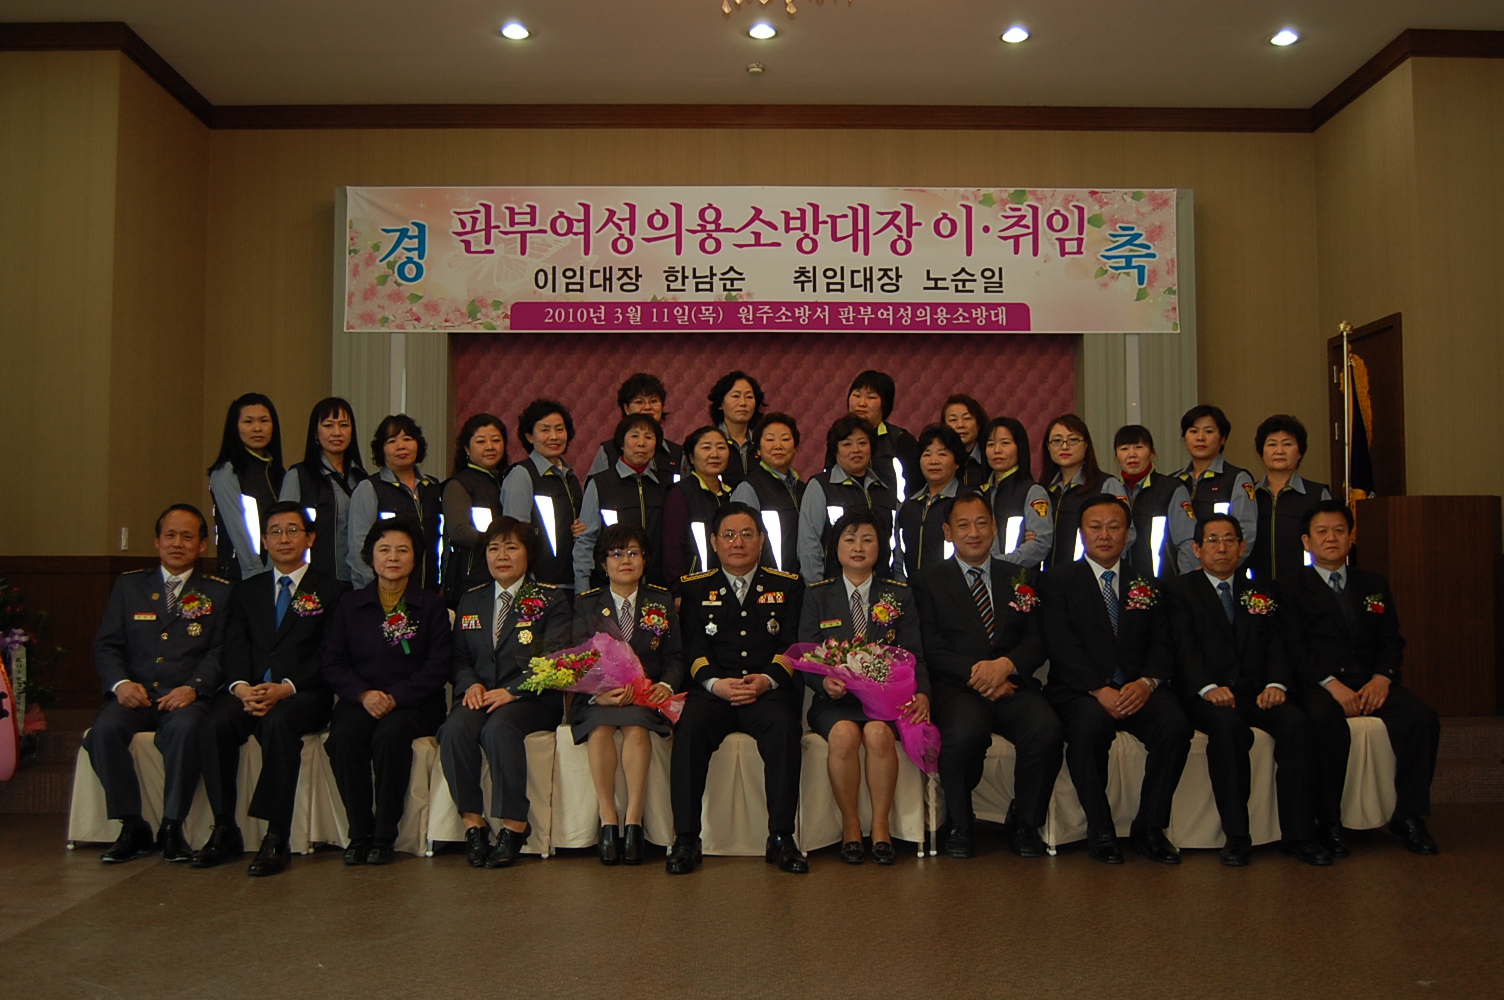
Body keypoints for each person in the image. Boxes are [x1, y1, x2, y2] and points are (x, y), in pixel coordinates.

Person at [191, 502, 351, 876]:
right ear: (264, 540)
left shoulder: (333, 590)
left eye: (293, 530)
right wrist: (241, 688)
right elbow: (233, 647)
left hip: (303, 694)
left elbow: (331, 653)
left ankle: (276, 835)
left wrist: (286, 687)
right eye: (275, 531)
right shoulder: (245, 591)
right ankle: (224, 828)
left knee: (279, 725)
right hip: (250, 691)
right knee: (214, 724)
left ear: (310, 538)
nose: (284, 538)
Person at [1164, 514, 1330, 867]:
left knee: (1296, 724)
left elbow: (1278, 644)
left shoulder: (1260, 591)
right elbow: (1183, 648)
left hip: (1256, 692)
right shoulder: (1179, 591)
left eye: (1229, 539)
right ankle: (1237, 836)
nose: (1221, 547)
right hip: (1206, 696)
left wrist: (1276, 684)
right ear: (1197, 549)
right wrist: (1207, 687)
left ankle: (1300, 835)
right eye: (1212, 540)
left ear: (1242, 546)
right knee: (1228, 730)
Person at [1279, 500, 1440, 856]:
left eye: (1339, 531)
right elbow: (1293, 647)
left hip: (1371, 681)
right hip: (1319, 684)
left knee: (1421, 718)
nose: (1331, 538)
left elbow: (1391, 640)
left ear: (1352, 537)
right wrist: (1330, 684)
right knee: (1323, 721)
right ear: (1306, 541)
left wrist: (1382, 678)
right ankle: (1329, 821)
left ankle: (1409, 816)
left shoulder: (1373, 583)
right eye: (1322, 532)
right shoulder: (1290, 586)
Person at [1040, 494, 1192, 864]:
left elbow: (1163, 642)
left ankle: (1150, 828)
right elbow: (1060, 644)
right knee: (1087, 730)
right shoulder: (1057, 581)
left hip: (1138, 688)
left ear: (1128, 532)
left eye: (1114, 527)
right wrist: (1098, 688)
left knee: (1174, 725)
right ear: (1081, 532)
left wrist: (1147, 683)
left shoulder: (1148, 582)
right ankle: (1101, 829)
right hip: (1081, 690)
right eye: (1096, 527)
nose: (1104, 535)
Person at [913, 494, 1064, 859]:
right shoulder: (927, 581)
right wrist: (980, 674)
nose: (974, 532)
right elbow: (931, 646)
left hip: (1013, 685)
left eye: (982, 523)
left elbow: (1037, 640)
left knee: (1046, 729)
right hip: (958, 688)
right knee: (964, 732)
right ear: (948, 532)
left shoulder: (1021, 578)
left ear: (994, 528)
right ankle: (960, 823)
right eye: (963, 525)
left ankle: (1025, 821)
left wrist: (1006, 666)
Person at [85, 505, 232, 863]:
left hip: (185, 697)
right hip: (135, 694)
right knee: (103, 731)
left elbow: (221, 651)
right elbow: (107, 644)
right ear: (157, 541)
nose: (177, 543)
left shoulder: (220, 592)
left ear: (202, 545)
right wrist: (121, 684)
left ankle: (171, 826)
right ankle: (131, 824)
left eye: (187, 537)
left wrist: (194, 688)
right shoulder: (129, 585)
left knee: (185, 730)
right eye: (170, 535)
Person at [667, 503, 806, 875]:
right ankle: (686, 838)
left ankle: (781, 837)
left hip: (766, 690)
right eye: (729, 535)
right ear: (714, 542)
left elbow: (792, 646)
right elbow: (692, 647)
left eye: (747, 534)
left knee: (785, 728)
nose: (738, 543)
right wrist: (715, 684)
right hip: (715, 691)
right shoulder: (695, 587)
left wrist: (765, 680)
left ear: (761, 540)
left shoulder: (787, 585)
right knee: (689, 729)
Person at [799, 509, 929, 865]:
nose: (858, 547)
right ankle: (851, 826)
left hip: (884, 701)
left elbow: (915, 654)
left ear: (880, 548)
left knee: (878, 734)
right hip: (834, 700)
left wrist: (922, 693)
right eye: (850, 539)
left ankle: (882, 827)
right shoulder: (817, 595)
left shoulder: (898, 594)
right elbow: (806, 654)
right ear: (836, 547)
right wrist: (824, 681)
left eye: (867, 540)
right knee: (843, 735)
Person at [440, 517, 569, 869]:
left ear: (528, 553)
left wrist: (512, 691)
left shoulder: (550, 598)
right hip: (480, 695)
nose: (502, 556)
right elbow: (460, 658)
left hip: (532, 698)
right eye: (494, 548)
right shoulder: (472, 599)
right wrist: (470, 684)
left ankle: (514, 825)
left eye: (511, 547)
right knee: (454, 729)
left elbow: (556, 659)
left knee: (499, 728)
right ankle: (473, 824)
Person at [323, 518, 452, 865]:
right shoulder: (351, 605)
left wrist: (396, 696)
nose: (393, 557)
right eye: (384, 550)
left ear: (415, 558)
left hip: (415, 703)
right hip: (361, 699)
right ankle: (359, 832)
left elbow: (439, 666)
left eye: (402, 550)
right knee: (344, 737)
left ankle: (384, 834)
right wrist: (364, 695)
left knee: (389, 736)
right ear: (371, 556)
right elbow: (333, 663)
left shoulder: (431, 606)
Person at [570, 524, 684, 865]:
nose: (625, 561)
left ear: (645, 560)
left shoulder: (661, 601)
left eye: (633, 553)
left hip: (645, 698)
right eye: (616, 554)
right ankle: (609, 820)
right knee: (600, 729)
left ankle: (633, 820)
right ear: (602, 563)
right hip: (599, 699)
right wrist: (598, 694)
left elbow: (676, 657)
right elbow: (576, 662)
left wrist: (665, 686)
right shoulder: (587, 604)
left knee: (636, 728)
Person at [345, 415, 443, 593]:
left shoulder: (433, 487)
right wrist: (376, 594)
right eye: (392, 441)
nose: (401, 446)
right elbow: (359, 550)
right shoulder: (369, 489)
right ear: (381, 449)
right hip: (385, 594)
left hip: (430, 593)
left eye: (407, 439)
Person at [573, 414, 668, 594]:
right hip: (609, 588)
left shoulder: (666, 485)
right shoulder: (600, 483)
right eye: (634, 436)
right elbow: (585, 541)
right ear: (621, 443)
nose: (641, 443)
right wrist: (583, 591)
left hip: (657, 588)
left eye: (649, 437)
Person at [799, 415, 898, 585]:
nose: (856, 450)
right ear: (835, 450)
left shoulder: (884, 488)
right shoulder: (821, 486)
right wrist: (816, 589)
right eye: (847, 444)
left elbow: (897, 543)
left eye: (862, 443)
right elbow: (809, 544)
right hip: (834, 588)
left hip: (881, 588)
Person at [501, 398, 585, 598]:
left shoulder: (570, 476)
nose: (554, 436)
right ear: (530, 436)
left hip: (571, 582)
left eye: (559, 429)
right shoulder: (522, 474)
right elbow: (515, 534)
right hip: (537, 585)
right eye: (545, 430)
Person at [279, 397, 368, 582]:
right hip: (311, 581)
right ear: (315, 433)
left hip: (357, 581)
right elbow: (283, 531)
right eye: (328, 425)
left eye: (344, 425)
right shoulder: (298, 476)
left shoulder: (362, 479)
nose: (337, 432)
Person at [208, 393, 285, 580]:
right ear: (235, 427)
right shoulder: (227, 471)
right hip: (243, 573)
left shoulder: (280, 472)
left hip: (280, 572)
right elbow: (238, 529)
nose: (257, 428)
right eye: (248, 421)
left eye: (264, 421)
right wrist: (257, 575)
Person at [1248, 414, 1332, 584]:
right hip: (1256, 589)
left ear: (1300, 452)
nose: (1279, 451)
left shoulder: (1317, 494)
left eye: (1287, 444)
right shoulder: (1249, 495)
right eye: (1272, 444)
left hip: (1306, 588)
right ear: (1262, 452)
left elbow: (1329, 543)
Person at [1039, 413, 1127, 569]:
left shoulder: (1106, 485)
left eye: (1073, 440)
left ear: (1086, 445)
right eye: (1057, 441)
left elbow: (1126, 534)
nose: (1064, 447)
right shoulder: (1043, 490)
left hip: (1090, 575)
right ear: (1048, 446)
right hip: (1047, 576)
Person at [441, 413, 509, 607]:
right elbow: (459, 531)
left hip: (505, 576)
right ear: (467, 448)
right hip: (471, 579)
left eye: (496, 440)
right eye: (480, 441)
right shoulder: (459, 484)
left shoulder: (510, 479)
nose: (490, 447)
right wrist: (501, 546)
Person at [1174, 404, 1258, 557]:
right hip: (1180, 569)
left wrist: (1219, 566)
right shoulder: (1174, 481)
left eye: (1209, 431)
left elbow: (1245, 533)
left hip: (1222, 567)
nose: (1200, 437)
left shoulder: (1237, 479)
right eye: (1193, 431)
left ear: (1223, 439)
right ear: (1184, 439)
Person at [729, 412, 806, 577]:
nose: (778, 446)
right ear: (758, 449)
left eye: (785, 439)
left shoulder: (804, 489)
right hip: (766, 581)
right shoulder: (749, 488)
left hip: (802, 581)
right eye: (770, 440)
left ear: (795, 447)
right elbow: (740, 543)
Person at [1114, 424, 1195, 579]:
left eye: (1139, 447)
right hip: (1119, 582)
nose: (1132, 454)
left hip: (1164, 582)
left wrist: (1185, 582)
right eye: (1124, 449)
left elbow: (1187, 542)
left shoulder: (1171, 489)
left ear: (1152, 452)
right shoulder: (1111, 491)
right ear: (1116, 455)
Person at [825, 370, 920, 499]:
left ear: (885, 403)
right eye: (857, 395)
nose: (861, 403)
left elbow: (916, 488)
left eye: (871, 397)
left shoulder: (901, 440)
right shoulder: (839, 436)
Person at [661, 426, 732, 596]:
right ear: (691, 457)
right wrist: (678, 589)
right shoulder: (680, 493)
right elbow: (672, 546)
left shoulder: (732, 493)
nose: (715, 454)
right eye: (706, 447)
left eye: (721, 447)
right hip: (694, 587)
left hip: (731, 584)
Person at [895, 424, 968, 581]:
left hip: (955, 588)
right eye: (927, 454)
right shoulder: (908, 504)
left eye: (942, 454)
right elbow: (899, 556)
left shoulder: (968, 501)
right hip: (912, 590)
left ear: (957, 462)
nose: (933, 461)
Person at [978, 416, 1052, 567]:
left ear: (1020, 447)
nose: (997, 450)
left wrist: (999, 565)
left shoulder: (1033, 492)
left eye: (1005, 443)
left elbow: (1040, 543)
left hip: (1018, 575)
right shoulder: (979, 494)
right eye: (990, 444)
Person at [586, 372, 684, 482]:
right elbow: (596, 487)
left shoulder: (677, 453)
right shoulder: (608, 451)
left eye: (653, 401)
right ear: (627, 408)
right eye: (639, 402)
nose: (647, 407)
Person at [706, 370, 764, 488]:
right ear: (720, 404)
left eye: (749, 397)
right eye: (736, 396)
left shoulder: (763, 443)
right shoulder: (706, 442)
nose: (743, 403)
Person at [941, 393, 990, 487]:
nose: (960, 425)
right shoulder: (938, 461)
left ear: (978, 424)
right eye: (953, 420)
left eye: (967, 418)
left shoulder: (990, 456)